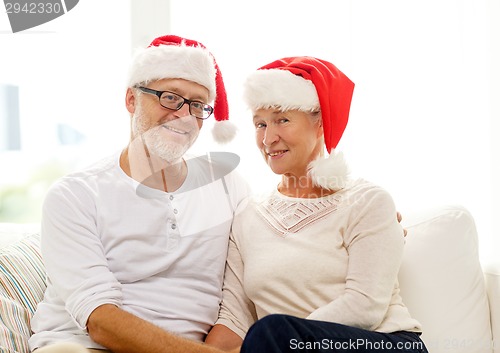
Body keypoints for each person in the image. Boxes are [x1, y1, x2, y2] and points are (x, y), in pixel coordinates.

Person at [28, 35, 249, 353]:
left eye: (197, 104)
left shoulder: (229, 186)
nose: (184, 116)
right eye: (170, 97)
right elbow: (100, 320)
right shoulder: (75, 194)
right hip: (83, 346)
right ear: (132, 99)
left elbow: (237, 303)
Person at [205, 56, 429, 353]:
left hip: (383, 344)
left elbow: (365, 307)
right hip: (279, 344)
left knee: (274, 331)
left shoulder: (367, 201)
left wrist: (283, 342)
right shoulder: (248, 215)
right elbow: (234, 318)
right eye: (260, 124)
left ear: (320, 123)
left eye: (282, 120)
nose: (269, 138)